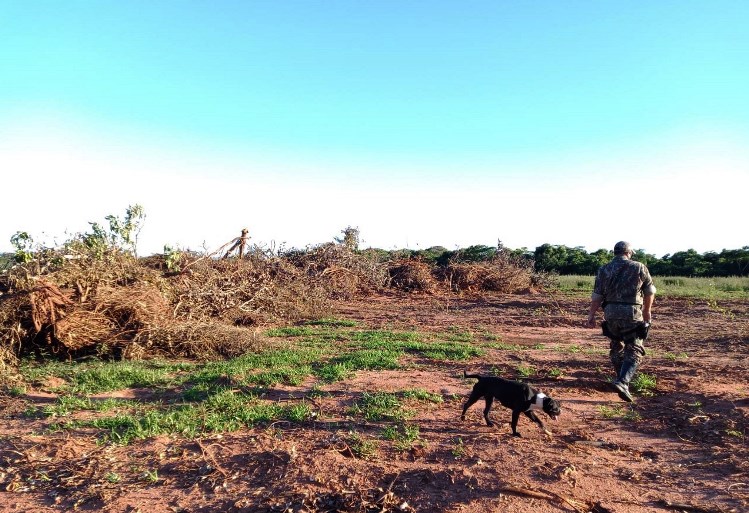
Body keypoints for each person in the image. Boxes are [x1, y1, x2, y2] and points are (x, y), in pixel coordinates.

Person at [587, 241, 656, 402]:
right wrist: (647, 311)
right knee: (634, 349)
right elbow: (650, 291)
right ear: (629, 253)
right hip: (631, 313)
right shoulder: (639, 267)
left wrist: (591, 315)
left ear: (615, 253)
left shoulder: (604, 269)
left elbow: (597, 296)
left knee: (616, 346)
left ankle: (621, 380)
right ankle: (623, 382)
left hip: (610, 313)